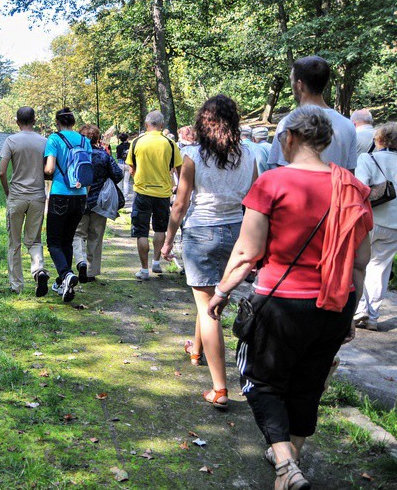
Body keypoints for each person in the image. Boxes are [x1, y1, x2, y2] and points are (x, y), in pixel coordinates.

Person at [207, 105, 372, 490]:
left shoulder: (272, 184)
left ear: (290, 138)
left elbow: (247, 253)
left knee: (260, 381)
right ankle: (291, 464)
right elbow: (360, 262)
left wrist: (221, 292)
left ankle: (284, 463)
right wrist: (349, 313)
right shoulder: (352, 187)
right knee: (308, 384)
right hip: (335, 302)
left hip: (281, 303)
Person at [162, 95, 257, 411]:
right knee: (212, 301)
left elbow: (180, 203)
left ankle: (219, 388)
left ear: (203, 124)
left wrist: (167, 240)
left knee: (208, 309)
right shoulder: (249, 156)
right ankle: (195, 350)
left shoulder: (192, 157)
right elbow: (255, 201)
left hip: (201, 232)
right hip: (236, 232)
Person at [268, 56, 358, 173]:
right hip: (336, 190)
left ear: (299, 85)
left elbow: (279, 171)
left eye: (291, 80)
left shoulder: (288, 123)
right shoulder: (348, 125)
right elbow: (350, 174)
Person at [0, 107, 50, 296]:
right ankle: (38, 271)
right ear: (34, 121)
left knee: (14, 243)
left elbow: (2, 172)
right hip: (37, 196)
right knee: (34, 240)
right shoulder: (44, 142)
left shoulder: (11, 141)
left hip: (17, 196)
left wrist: (7, 192)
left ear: (17, 121)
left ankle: (17, 285)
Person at [44, 107, 92, 302]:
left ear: (57, 122)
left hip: (60, 194)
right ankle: (62, 282)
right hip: (80, 196)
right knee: (68, 239)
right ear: (73, 122)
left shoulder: (54, 139)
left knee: (54, 241)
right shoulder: (84, 141)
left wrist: (48, 173)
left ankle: (65, 273)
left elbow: (49, 168)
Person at [129, 111, 183, 280]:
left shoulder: (137, 142)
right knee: (160, 228)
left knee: (141, 232)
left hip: (142, 192)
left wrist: (139, 179)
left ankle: (144, 270)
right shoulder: (170, 143)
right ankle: (156, 262)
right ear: (162, 126)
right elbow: (179, 168)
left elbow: (131, 169)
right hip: (163, 193)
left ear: (146, 125)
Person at [354, 122, 397, 331]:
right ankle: (372, 316)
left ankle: (360, 308)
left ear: (379, 140)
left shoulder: (367, 158)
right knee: (381, 268)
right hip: (395, 224)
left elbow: (360, 188)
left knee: (360, 263)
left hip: (370, 220)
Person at [74, 124, 123, 283]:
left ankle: (80, 262)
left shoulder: (77, 154)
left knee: (78, 234)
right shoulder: (104, 155)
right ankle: (91, 271)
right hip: (99, 201)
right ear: (97, 138)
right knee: (95, 236)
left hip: (79, 199)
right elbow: (118, 174)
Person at [115, 133, 133, 203]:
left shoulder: (118, 147)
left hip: (121, 164)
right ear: (127, 138)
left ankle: (120, 195)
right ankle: (126, 196)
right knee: (126, 181)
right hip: (128, 164)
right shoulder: (130, 145)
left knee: (120, 180)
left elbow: (118, 156)